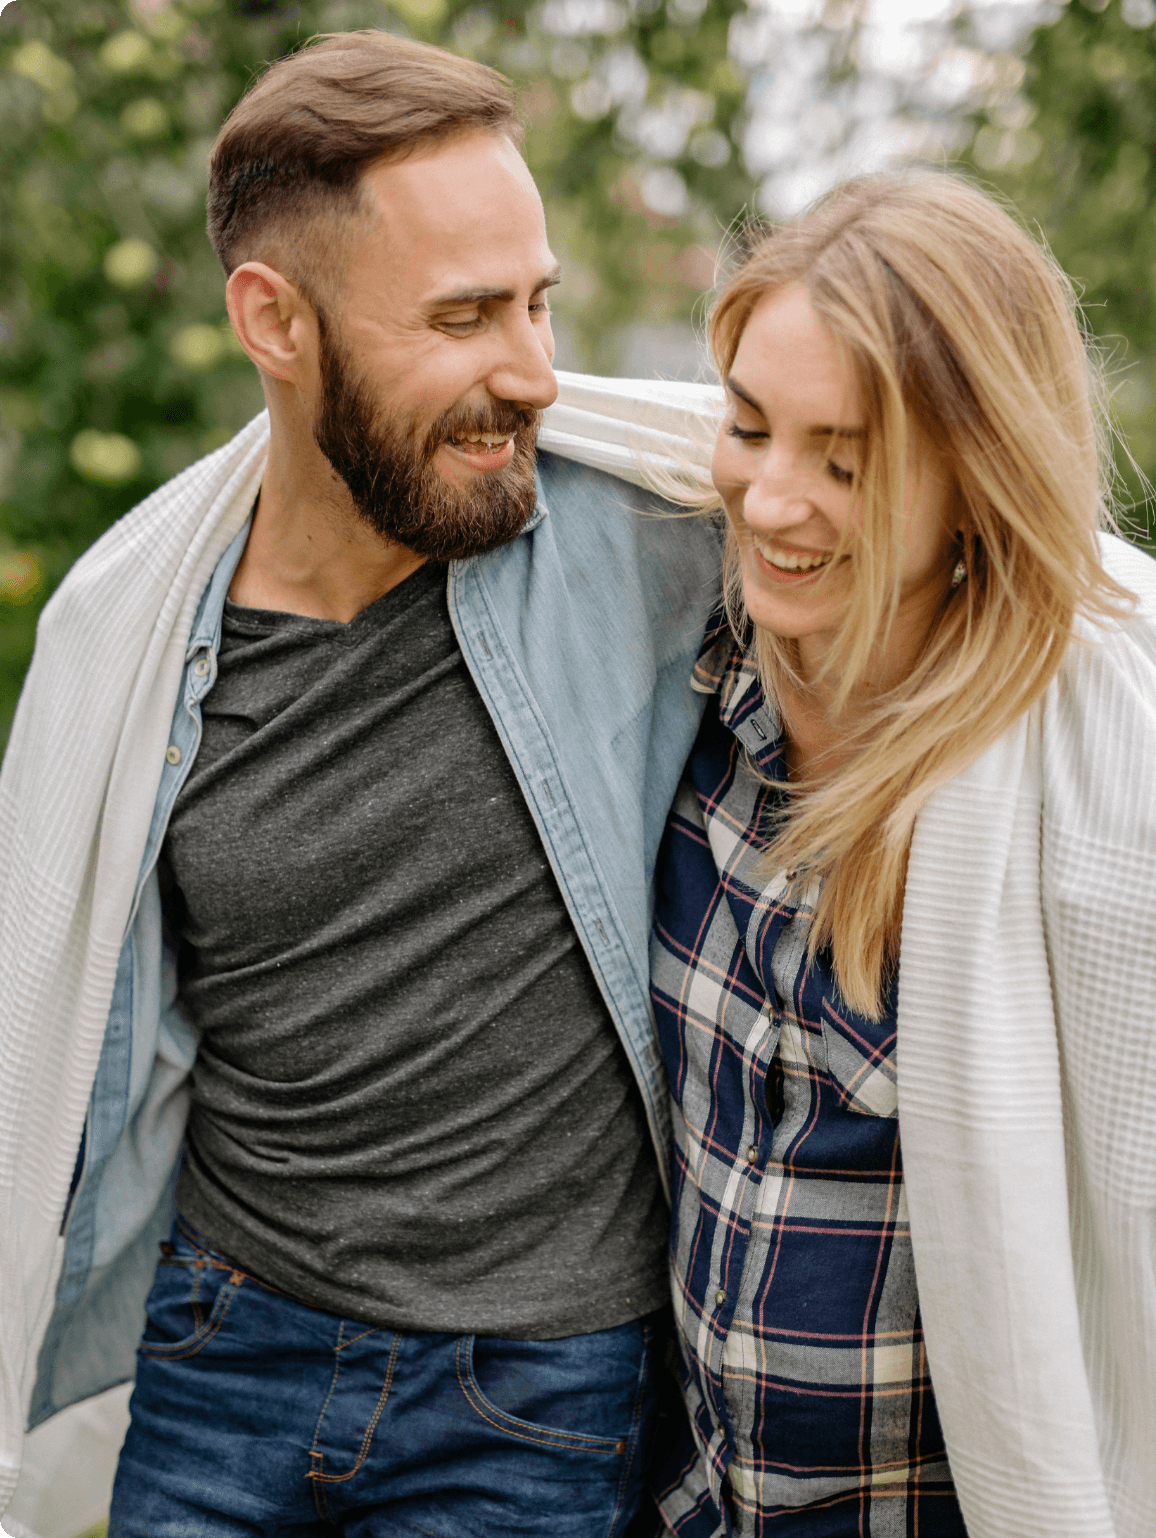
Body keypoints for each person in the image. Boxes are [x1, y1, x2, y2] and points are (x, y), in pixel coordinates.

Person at [0, 31, 722, 1534]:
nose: (531, 372)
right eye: (462, 316)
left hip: (536, 1399)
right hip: (223, 1356)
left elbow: (942, 536)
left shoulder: (656, 541)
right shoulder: (130, 642)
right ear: (275, 318)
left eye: (539, 303)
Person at [648, 172, 1156, 1537]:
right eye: (748, 426)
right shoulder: (693, 720)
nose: (769, 499)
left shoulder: (1079, 784)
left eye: (846, 460)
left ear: (974, 478)